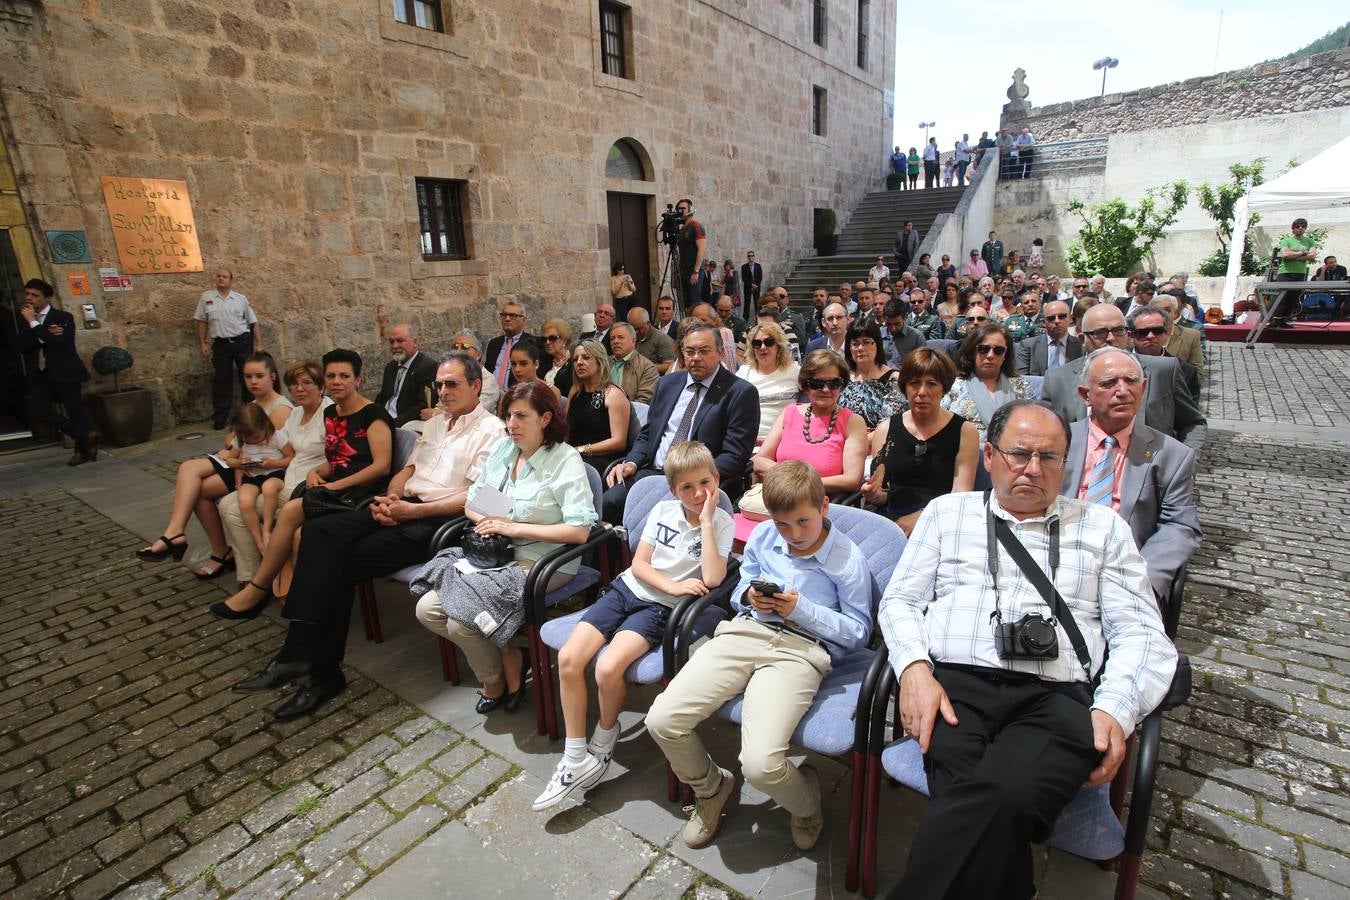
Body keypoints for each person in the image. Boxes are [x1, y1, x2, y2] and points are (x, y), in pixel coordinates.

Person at [877, 400, 1178, 900]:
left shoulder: (1103, 528)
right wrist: (912, 668)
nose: (1034, 470)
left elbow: (1143, 634)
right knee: (996, 807)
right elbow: (900, 600)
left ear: (1067, 462)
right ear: (990, 455)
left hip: (1056, 695)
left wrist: (1115, 709)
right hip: (953, 688)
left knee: (1000, 796)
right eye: (1020, 454)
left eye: (1050, 458)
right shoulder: (947, 513)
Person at [231, 352, 506, 719]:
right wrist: (392, 497)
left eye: (451, 384)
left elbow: (479, 499)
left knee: (334, 559)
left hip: (435, 523)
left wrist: (413, 510)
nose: (442, 391)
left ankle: (308, 661)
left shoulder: (492, 431)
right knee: (320, 530)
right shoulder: (437, 424)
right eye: (438, 384)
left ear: (475, 386)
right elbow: (408, 470)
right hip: (403, 507)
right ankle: (306, 661)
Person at [646, 460, 871, 851]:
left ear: (824, 508)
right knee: (662, 719)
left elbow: (858, 634)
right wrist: (748, 596)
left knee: (761, 764)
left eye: (803, 522)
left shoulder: (847, 559)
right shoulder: (766, 536)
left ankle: (805, 804)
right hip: (746, 632)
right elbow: (740, 589)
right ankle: (711, 787)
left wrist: (802, 610)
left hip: (801, 652)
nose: (793, 534)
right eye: (783, 524)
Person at [535, 441, 734, 811]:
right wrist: (674, 584)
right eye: (685, 488)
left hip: (659, 609)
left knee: (609, 668)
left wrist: (706, 521)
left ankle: (603, 740)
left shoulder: (721, 522)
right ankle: (575, 756)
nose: (696, 494)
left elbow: (712, 576)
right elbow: (639, 564)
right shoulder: (663, 509)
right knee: (570, 659)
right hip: (627, 589)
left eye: (704, 483)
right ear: (673, 490)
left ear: (717, 480)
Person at [414, 381, 597, 714]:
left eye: (521, 416)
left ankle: (494, 680)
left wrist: (510, 524)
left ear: (544, 418)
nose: (511, 424)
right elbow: (474, 504)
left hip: (543, 560)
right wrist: (495, 520)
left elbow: (579, 531)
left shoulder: (563, 460)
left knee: (462, 623)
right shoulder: (504, 451)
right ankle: (511, 652)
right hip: (495, 555)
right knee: (426, 609)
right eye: (508, 415)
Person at [211, 349, 393, 617]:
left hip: (360, 494)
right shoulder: (333, 413)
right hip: (332, 489)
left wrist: (334, 486)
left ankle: (261, 590)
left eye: (344, 376)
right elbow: (337, 458)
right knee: (284, 514)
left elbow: (381, 466)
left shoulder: (372, 414)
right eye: (331, 375)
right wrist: (318, 471)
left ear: (358, 380)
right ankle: (268, 589)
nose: (336, 381)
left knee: (291, 512)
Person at [1063, 348, 1202, 601]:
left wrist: (1141, 577)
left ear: (1144, 387)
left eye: (1131, 381)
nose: (1123, 391)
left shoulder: (1172, 455)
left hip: (1126, 571)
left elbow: (1180, 527)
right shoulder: (1058, 441)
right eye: (1108, 383)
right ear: (1085, 395)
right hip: (1058, 561)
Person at [138, 351, 294, 574]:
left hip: (259, 469)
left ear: (273, 377)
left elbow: (267, 446)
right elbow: (233, 437)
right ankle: (194, 540)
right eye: (248, 376)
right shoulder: (254, 404)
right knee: (189, 472)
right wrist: (232, 447)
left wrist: (233, 449)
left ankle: (202, 544)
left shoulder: (279, 408)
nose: (253, 381)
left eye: (259, 376)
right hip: (240, 460)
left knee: (195, 484)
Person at [602, 323, 758, 522]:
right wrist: (631, 462)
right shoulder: (668, 384)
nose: (696, 357)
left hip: (696, 481)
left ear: (720, 353)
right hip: (652, 472)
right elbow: (649, 433)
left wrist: (690, 480)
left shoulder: (740, 393)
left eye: (704, 351)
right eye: (690, 351)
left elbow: (735, 455)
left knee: (662, 517)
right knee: (609, 502)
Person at [217, 360, 332, 589]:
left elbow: (335, 456)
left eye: (307, 383)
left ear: (321, 387)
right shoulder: (296, 413)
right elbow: (276, 442)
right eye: (294, 384)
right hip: (283, 475)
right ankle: (253, 572)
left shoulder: (328, 414)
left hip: (303, 484)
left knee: (235, 509)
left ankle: (259, 577)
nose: (299, 389)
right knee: (227, 504)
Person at [1041, 304, 1207, 451]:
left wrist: (1185, 465)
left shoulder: (1163, 371)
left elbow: (1193, 423)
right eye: (1100, 333)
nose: (1111, 338)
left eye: (1118, 331)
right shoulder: (1057, 379)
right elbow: (1045, 432)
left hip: (1145, 471)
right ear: (1082, 338)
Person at [862, 348, 977, 535]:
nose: (922, 392)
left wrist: (922, 517)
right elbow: (883, 494)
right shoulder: (885, 430)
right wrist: (875, 495)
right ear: (905, 387)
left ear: (944, 388)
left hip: (943, 521)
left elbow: (960, 497)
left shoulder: (965, 432)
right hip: (892, 520)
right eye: (914, 383)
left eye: (931, 384)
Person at [753, 350, 866, 497]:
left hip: (823, 507)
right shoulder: (790, 412)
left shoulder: (853, 422)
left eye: (834, 383)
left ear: (842, 385)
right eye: (817, 383)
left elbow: (852, 480)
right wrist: (794, 480)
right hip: (780, 500)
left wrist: (802, 483)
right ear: (806, 386)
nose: (826, 389)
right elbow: (760, 461)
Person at [17, 278, 95, 464]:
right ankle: (85, 435)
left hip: (65, 371)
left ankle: (82, 451)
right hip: (42, 373)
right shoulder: (25, 318)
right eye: (27, 294)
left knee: (75, 411)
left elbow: (59, 343)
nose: (29, 298)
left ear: (47, 298)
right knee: (38, 409)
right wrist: (43, 334)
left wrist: (35, 325)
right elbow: (22, 346)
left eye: (34, 295)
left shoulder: (63, 317)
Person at [941, 322, 1035, 442]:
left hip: (1011, 455)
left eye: (998, 350)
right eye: (983, 349)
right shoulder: (954, 386)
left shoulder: (1021, 386)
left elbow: (1033, 425)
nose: (990, 355)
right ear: (972, 352)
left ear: (1006, 354)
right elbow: (939, 425)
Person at [224, 401, 295, 555]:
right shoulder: (240, 440)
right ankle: (258, 540)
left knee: (269, 488)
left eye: (257, 436)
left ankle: (267, 530)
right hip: (252, 475)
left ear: (265, 425)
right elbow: (229, 461)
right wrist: (240, 462)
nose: (254, 440)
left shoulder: (276, 436)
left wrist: (272, 464)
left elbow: (290, 457)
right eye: (249, 437)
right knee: (244, 499)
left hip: (275, 472)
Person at [194, 268, 261, 429]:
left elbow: (253, 322)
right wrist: (203, 343)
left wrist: (258, 344)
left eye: (225, 277)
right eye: (218, 276)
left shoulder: (240, 299)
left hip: (242, 342)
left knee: (247, 379)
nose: (221, 279)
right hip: (221, 344)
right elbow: (201, 321)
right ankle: (220, 418)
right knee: (222, 380)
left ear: (231, 281)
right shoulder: (206, 298)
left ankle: (251, 414)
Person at [567, 340, 632, 475]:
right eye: (575, 359)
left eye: (586, 357)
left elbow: (619, 442)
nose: (579, 362)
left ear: (599, 361)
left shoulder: (613, 394)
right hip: (573, 456)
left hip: (601, 460)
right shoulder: (575, 391)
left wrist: (580, 450)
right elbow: (565, 428)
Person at [735, 321, 800, 444]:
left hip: (785, 441)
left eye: (769, 342)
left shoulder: (795, 371)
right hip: (750, 442)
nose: (763, 347)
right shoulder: (743, 374)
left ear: (778, 346)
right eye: (757, 343)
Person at [1129, 305, 1200, 403]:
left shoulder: (1185, 371)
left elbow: (1188, 415)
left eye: (1157, 331)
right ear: (1131, 335)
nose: (1150, 336)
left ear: (1166, 333)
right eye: (1143, 332)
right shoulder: (1116, 364)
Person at [840, 323, 904, 429]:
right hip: (843, 439)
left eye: (866, 342)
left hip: (880, 440)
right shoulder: (842, 378)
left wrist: (860, 440)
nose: (860, 348)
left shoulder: (894, 379)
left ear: (877, 344)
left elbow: (891, 423)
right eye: (855, 344)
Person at [374, 323, 438, 428]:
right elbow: (382, 397)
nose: (394, 346)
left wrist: (392, 424)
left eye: (400, 341)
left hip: (404, 426)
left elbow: (423, 406)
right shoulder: (391, 367)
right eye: (391, 342)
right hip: (383, 421)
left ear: (415, 342)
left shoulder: (427, 367)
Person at [1016, 300, 1081, 376]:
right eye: (1051, 318)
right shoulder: (1028, 346)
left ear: (1070, 319)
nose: (1057, 321)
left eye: (1062, 316)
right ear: (1044, 322)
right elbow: (1019, 380)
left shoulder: (1080, 346)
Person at [1273, 217, 1319, 323]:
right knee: (1281, 297)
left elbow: (1312, 256)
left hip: (1300, 273)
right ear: (1293, 229)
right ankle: (1276, 319)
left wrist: (1292, 254)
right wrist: (1303, 253)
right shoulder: (1286, 240)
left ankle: (1285, 319)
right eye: (1297, 227)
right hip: (1285, 272)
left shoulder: (1309, 241)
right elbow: (1284, 254)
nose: (1300, 228)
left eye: (1303, 227)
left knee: (1293, 298)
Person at [485, 299, 535, 393]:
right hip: (492, 395)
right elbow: (488, 372)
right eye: (504, 315)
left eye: (513, 316)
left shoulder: (532, 343)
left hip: (518, 394)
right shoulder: (494, 344)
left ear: (524, 320)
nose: (507, 319)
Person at [452, 331, 502, 414]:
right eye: (455, 347)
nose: (458, 351)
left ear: (478, 355)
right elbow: (441, 405)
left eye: (465, 347)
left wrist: (438, 413)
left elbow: (476, 412)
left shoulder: (488, 380)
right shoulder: (451, 376)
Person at [675, 199, 707, 309]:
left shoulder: (696, 226)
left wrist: (696, 271)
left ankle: (698, 326)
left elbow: (701, 249)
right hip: (683, 271)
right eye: (678, 208)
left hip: (694, 272)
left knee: (695, 303)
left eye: (683, 208)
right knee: (685, 304)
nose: (680, 210)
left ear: (690, 209)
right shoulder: (681, 229)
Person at [628, 307, 676, 375]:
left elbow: (670, 366)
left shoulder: (662, 339)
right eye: (632, 328)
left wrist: (646, 367)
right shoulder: (629, 336)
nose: (636, 332)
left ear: (648, 323)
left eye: (639, 329)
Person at [882, 297, 926, 367]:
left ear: (905, 317)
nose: (893, 328)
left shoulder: (916, 336)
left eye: (897, 324)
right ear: (884, 318)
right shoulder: (878, 334)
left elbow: (922, 365)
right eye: (889, 324)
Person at [540, 318, 575, 396]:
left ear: (564, 341)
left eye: (552, 338)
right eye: (544, 339)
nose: (547, 342)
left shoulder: (574, 362)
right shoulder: (543, 361)